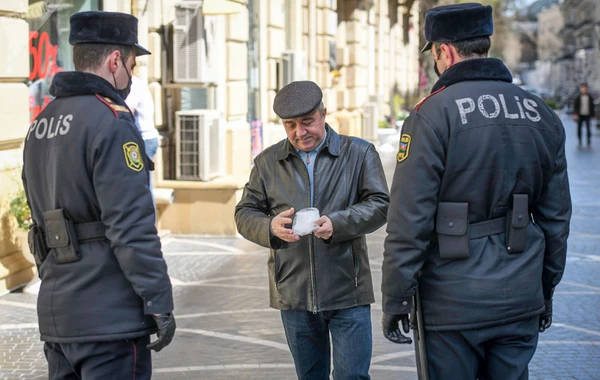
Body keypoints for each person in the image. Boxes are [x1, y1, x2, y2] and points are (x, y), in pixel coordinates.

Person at [381, 3, 572, 380]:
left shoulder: (431, 115)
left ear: (444, 51)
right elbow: (557, 220)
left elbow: (409, 220)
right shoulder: (541, 113)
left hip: (452, 303)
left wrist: (397, 298)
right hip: (521, 292)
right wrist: (545, 289)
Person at [21, 11, 175, 379]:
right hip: (110, 319)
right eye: (132, 66)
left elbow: (38, 223)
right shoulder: (112, 121)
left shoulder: (41, 123)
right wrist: (159, 300)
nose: (130, 77)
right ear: (115, 60)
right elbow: (131, 226)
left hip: (59, 314)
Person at [235, 80, 389, 379]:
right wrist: (269, 226)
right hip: (293, 292)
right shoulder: (267, 162)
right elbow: (244, 213)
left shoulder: (358, 153)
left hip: (348, 289)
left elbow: (380, 204)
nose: (299, 132)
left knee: (352, 376)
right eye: (290, 125)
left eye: (307, 122)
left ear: (323, 114)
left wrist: (339, 223)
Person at [125, 75, 160, 196]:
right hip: (142, 140)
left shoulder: (132, 84)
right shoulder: (131, 83)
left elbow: (127, 113)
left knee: (142, 188)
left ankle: (148, 215)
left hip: (143, 141)